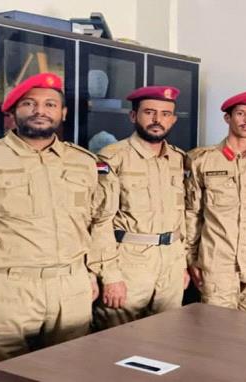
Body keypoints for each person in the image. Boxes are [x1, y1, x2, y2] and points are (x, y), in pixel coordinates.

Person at [0, 73, 125, 381]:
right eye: (29, 104)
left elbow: (98, 225)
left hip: (71, 286)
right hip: (7, 289)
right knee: (4, 374)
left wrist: (103, 274)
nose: (40, 111)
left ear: (63, 113)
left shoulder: (84, 162)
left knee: (71, 372)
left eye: (50, 104)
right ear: (12, 112)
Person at [92, 86, 189, 328]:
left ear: (173, 119)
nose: (157, 120)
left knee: (168, 338)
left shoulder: (178, 158)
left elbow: (182, 216)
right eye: (149, 112)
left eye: (165, 114)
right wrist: (110, 276)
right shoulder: (112, 157)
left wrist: (182, 265)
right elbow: (99, 221)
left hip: (171, 265)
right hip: (129, 265)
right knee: (118, 340)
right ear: (133, 116)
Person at [184, 89, 246, 314]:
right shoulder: (202, 160)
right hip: (218, 265)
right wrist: (191, 258)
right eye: (241, 114)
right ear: (227, 118)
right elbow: (192, 214)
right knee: (218, 330)